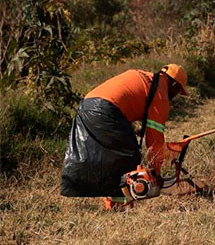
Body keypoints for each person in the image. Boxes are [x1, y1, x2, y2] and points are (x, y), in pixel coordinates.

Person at [61, 64, 189, 209]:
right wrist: (156, 174)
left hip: (87, 105)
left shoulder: (146, 77)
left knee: (106, 157)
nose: (176, 95)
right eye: (178, 90)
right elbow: (155, 141)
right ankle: (120, 203)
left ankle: (110, 199)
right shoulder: (160, 94)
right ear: (173, 84)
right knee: (127, 156)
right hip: (107, 109)